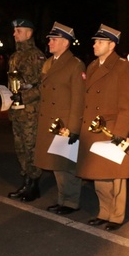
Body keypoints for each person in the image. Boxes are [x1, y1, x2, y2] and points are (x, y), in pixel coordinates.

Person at [76, 24, 129, 231]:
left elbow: (128, 103)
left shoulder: (122, 67)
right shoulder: (92, 66)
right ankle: (104, 211)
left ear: (111, 45)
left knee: (116, 177)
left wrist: (120, 132)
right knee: (99, 175)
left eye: (100, 42)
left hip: (112, 128)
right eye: (95, 41)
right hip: (94, 129)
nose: (95, 44)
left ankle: (117, 216)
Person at [34, 22, 86, 215]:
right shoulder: (49, 62)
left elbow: (78, 100)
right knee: (56, 165)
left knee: (67, 165)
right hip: (50, 122)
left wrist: (73, 128)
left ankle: (71, 202)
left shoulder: (75, 65)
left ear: (65, 42)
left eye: (54, 39)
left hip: (64, 123)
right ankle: (62, 199)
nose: (49, 42)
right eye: (50, 39)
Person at [6, 19, 46, 201]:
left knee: (31, 148)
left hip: (31, 112)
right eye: (14, 31)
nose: (15, 34)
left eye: (19, 31)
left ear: (29, 34)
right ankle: (26, 181)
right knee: (20, 147)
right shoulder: (14, 56)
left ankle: (34, 184)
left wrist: (25, 97)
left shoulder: (37, 56)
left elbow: (43, 86)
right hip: (17, 110)